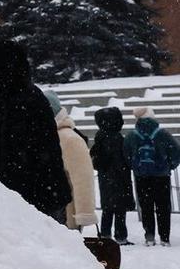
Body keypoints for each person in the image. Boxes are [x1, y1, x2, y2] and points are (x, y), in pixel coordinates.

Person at [0, 41, 71, 220]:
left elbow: (14, 159)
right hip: (41, 197)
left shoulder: (18, 102)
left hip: (30, 203)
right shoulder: (21, 97)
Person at [43, 91, 98, 231]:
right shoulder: (44, 137)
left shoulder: (69, 139)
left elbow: (83, 180)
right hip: (48, 209)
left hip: (64, 214)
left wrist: (84, 214)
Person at [126, 106, 180, 246]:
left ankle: (149, 237)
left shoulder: (132, 135)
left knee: (146, 207)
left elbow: (126, 155)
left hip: (142, 176)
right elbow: (176, 152)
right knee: (163, 207)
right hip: (161, 176)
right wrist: (169, 165)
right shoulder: (162, 133)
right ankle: (164, 238)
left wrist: (136, 167)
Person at [90, 106, 136, 245]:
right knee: (120, 210)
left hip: (105, 178)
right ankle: (120, 236)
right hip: (119, 177)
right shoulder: (116, 138)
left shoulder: (100, 137)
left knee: (107, 209)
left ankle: (105, 234)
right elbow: (121, 160)